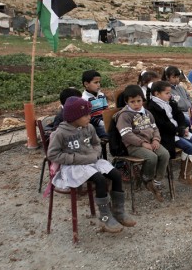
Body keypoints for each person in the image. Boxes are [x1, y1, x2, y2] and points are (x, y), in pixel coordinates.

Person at [47, 96, 136, 233]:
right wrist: (76, 158)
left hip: (92, 161)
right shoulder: (61, 133)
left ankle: (119, 211)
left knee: (116, 175)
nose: (90, 117)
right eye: (86, 115)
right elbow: (53, 155)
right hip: (73, 166)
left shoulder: (89, 127)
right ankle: (105, 218)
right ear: (74, 117)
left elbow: (96, 143)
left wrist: (94, 154)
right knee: (100, 180)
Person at [147, 81, 192, 186]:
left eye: (169, 93)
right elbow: (163, 125)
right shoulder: (153, 107)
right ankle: (185, 176)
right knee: (189, 147)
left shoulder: (169, 101)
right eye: (167, 93)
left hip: (178, 131)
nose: (170, 95)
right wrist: (178, 130)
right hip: (167, 135)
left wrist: (182, 127)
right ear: (157, 94)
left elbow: (179, 115)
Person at [115, 85, 169, 202]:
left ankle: (157, 180)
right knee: (151, 157)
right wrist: (142, 143)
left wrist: (156, 139)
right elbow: (126, 135)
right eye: (132, 101)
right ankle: (146, 178)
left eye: (139, 101)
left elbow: (155, 129)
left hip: (150, 142)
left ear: (142, 100)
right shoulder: (124, 115)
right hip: (134, 146)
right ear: (126, 102)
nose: (136, 104)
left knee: (165, 154)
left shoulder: (147, 113)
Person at [81, 70, 109, 140]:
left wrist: (108, 120)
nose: (98, 85)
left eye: (99, 82)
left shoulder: (101, 95)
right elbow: (87, 116)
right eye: (96, 82)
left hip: (104, 122)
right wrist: (100, 123)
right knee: (109, 134)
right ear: (86, 84)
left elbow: (106, 110)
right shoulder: (84, 99)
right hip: (94, 125)